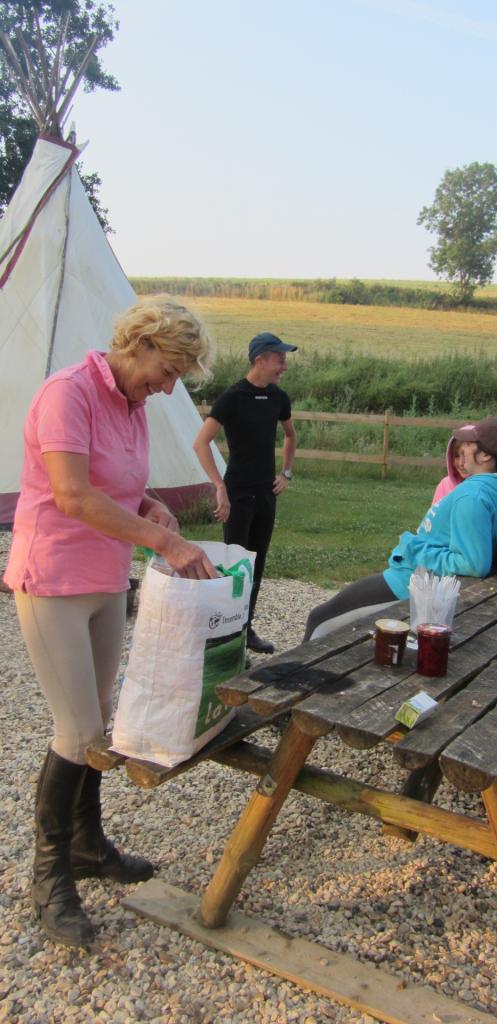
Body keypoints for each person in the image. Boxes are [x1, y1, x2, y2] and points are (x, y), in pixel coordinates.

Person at [3, 299, 219, 949]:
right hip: (53, 578)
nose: (170, 385)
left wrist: (149, 504)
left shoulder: (134, 406)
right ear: (141, 342)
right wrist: (166, 543)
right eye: (169, 369)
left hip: (104, 577)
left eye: (179, 375)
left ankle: (89, 844)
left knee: (100, 715)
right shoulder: (66, 393)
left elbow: (119, 489)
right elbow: (70, 494)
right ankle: (49, 874)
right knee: (77, 729)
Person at [304, 417, 497, 641]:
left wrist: (415, 548)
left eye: (467, 445)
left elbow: (473, 564)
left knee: (319, 620)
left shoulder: (473, 495)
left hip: (410, 584)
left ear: (485, 454)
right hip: (428, 584)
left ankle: (291, 679)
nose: (463, 451)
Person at [193, 332, 297, 654]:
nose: (284, 365)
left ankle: (246, 631)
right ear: (260, 360)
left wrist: (286, 473)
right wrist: (219, 485)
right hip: (238, 494)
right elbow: (200, 443)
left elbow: (290, 436)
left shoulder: (279, 397)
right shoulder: (233, 397)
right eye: (279, 358)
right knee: (236, 568)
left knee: (258, 564)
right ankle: (226, 637)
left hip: (267, 495)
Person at [431, 429, 472, 504]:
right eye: (456, 456)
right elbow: (436, 515)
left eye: (466, 456)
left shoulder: (490, 487)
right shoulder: (445, 485)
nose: (461, 463)